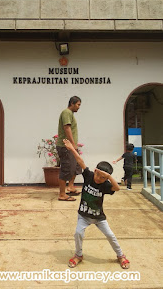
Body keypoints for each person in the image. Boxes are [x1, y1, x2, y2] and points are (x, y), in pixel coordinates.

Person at [63, 139, 130, 269]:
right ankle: (78, 255)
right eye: (98, 175)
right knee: (78, 233)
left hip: (99, 217)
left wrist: (109, 177)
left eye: (103, 178)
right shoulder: (88, 175)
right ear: (95, 171)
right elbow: (80, 161)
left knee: (110, 235)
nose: (99, 179)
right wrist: (71, 148)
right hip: (83, 215)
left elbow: (117, 188)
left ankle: (120, 255)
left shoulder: (105, 185)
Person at [56, 96, 82, 201]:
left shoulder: (70, 114)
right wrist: (72, 144)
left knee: (76, 166)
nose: (79, 107)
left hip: (70, 146)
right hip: (65, 146)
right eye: (78, 104)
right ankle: (62, 194)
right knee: (66, 168)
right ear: (72, 103)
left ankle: (70, 187)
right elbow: (67, 128)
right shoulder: (66, 112)